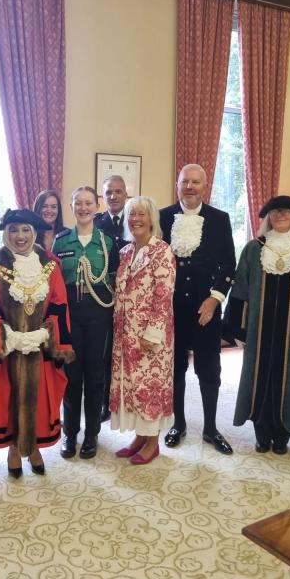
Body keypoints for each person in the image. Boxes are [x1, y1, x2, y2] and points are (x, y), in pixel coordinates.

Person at [0, 209, 74, 478]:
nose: (20, 236)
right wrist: (9, 338)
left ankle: (35, 448)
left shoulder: (50, 263)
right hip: (8, 350)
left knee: (40, 401)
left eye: (25, 230)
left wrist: (43, 334)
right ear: (6, 233)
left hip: (40, 348)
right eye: (14, 230)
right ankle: (14, 450)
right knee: (8, 400)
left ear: (34, 233)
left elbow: (60, 303)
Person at [224, 196, 290, 454]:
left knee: (289, 383)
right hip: (258, 332)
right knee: (258, 381)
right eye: (275, 212)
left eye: (286, 212)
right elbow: (240, 289)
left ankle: (282, 435)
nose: (281, 216)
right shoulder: (253, 249)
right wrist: (238, 329)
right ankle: (261, 433)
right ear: (268, 217)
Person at [159, 163, 236, 455]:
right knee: (175, 368)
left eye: (195, 182)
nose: (189, 187)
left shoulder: (219, 218)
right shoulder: (162, 216)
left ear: (205, 186)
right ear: (177, 185)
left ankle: (210, 428)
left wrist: (215, 298)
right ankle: (178, 423)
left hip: (207, 307)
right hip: (171, 308)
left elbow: (228, 263)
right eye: (184, 182)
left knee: (209, 369)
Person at [53, 187, 119, 460]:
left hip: (98, 315)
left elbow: (114, 281)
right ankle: (70, 433)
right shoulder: (61, 242)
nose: (83, 208)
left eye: (88, 203)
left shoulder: (107, 243)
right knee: (71, 377)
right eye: (78, 203)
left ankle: (92, 434)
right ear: (71, 206)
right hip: (70, 315)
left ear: (96, 206)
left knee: (94, 376)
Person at [110, 196, 175, 464]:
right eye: (131, 214)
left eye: (141, 214)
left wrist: (153, 333)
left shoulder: (161, 250)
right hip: (124, 334)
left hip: (150, 335)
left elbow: (163, 294)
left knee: (151, 387)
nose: (135, 219)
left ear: (151, 219)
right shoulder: (125, 252)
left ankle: (153, 442)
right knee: (132, 386)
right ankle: (139, 436)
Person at [94, 174, 129, 423]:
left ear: (126, 194)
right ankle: (106, 402)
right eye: (108, 193)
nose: (113, 196)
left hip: (131, 298)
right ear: (103, 197)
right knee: (106, 353)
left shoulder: (137, 219)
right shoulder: (97, 224)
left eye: (118, 191)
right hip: (104, 298)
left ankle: (129, 399)